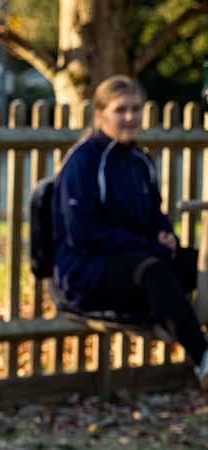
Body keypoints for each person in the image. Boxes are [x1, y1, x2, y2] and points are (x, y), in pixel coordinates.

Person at [53, 75, 208, 390]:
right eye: (120, 109)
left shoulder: (140, 160)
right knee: (155, 271)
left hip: (136, 260)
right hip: (86, 273)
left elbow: (154, 214)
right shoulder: (83, 161)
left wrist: (165, 234)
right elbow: (83, 234)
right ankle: (204, 361)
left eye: (136, 109)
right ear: (99, 114)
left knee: (199, 265)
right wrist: (150, 247)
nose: (130, 117)